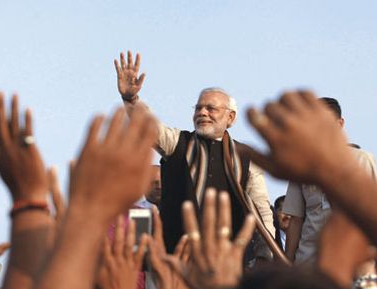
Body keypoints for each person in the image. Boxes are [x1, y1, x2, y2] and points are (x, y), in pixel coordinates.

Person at [114, 51, 275, 259]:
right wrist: (131, 99)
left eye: (211, 108)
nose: (202, 113)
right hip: (178, 260)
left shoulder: (246, 158)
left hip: (227, 264)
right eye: (198, 108)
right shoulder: (178, 143)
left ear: (231, 117)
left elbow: (261, 209)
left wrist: (265, 256)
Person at [282, 97, 377, 265]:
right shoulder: (301, 166)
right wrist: (287, 261)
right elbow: (296, 220)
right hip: (309, 265)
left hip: (353, 266)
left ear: (340, 124)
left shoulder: (363, 160)